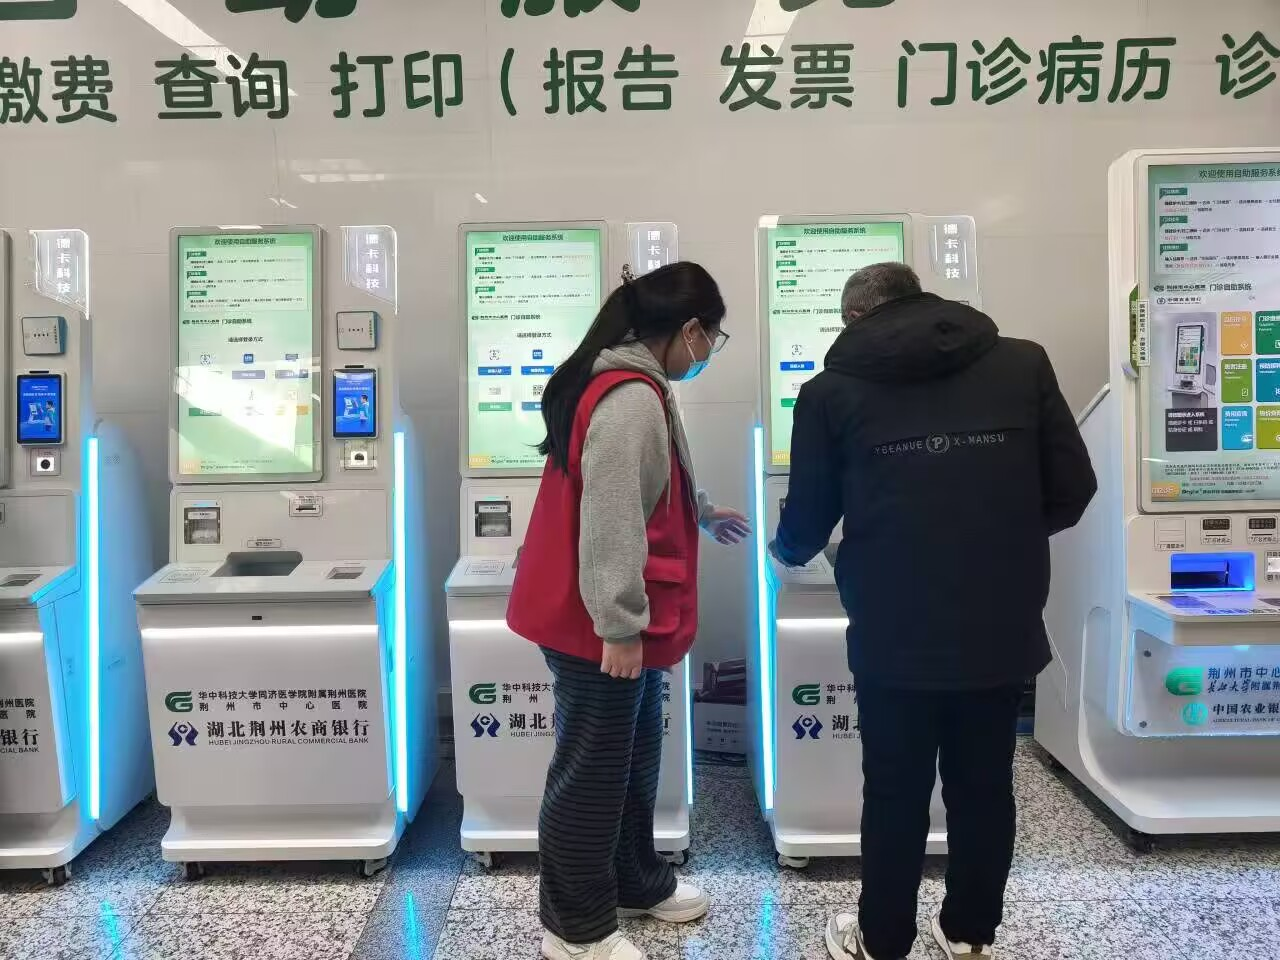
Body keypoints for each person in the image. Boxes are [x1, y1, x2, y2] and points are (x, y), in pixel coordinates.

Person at [769, 263, 1097, 960]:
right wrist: (999, 537)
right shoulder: (1023, 363)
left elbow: (807, 519)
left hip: (894, 623)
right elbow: (1074, 488)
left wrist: (785, 550)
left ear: (855, 319)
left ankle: (883, 940)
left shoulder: (829, 392)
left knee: (894, 787)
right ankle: (971, 936)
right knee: (985, 785)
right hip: (999, 616)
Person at [507, 262, 751, 960]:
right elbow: (611, 519)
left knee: (633, 759)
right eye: (711, 338)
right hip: (597, 625)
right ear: (690, 329)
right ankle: (574, 929)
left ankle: (634, 880)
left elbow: (649, 480)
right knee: (591, 773)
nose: (707, 352)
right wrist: (618, 626)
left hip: (609, 618)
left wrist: (700, 511)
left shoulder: (637, 384)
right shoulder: (629, 395)